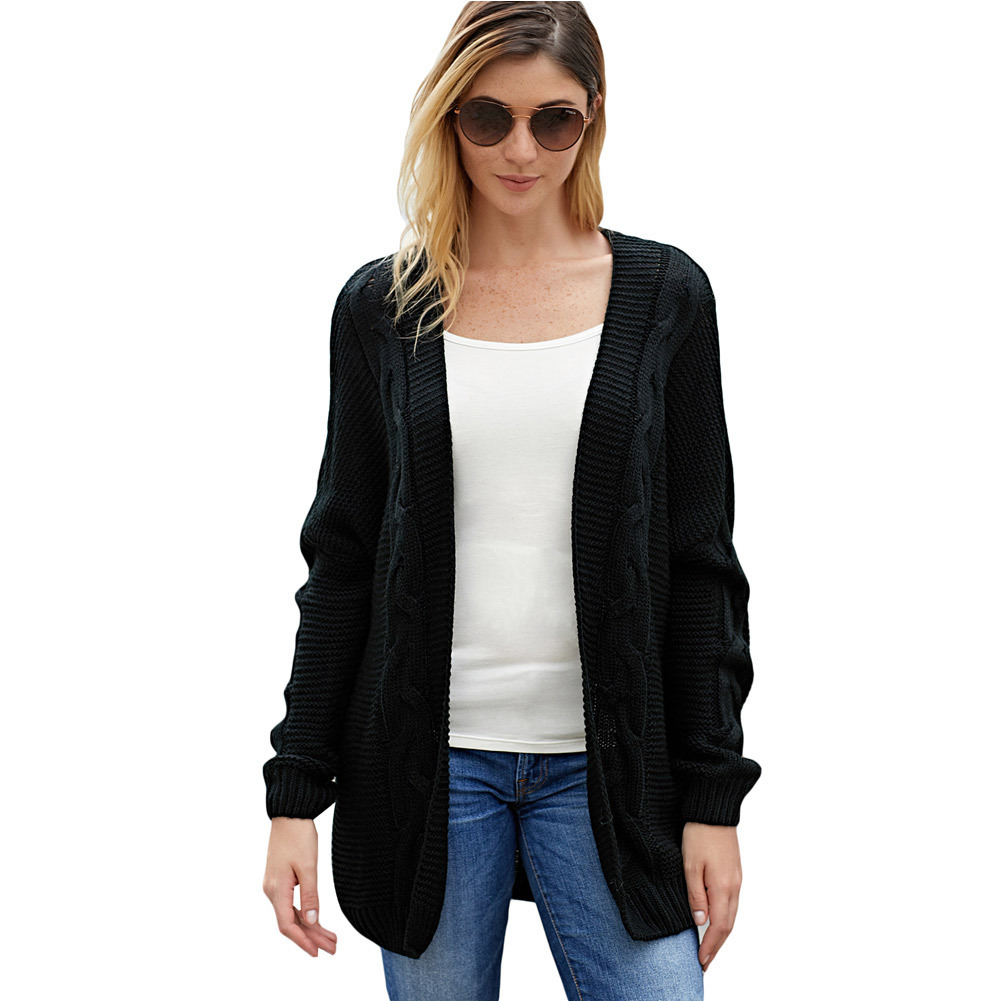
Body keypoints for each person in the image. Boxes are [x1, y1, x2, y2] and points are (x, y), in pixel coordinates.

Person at [261, 4, 761, 999]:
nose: (520, 150)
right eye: (487, 118)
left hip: (611, 772)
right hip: (427, 773)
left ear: (592, 117)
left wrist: (714, 798)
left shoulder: (666, 297)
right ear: (448, 119)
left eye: (552, 119)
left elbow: (701, 565)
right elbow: (343, 560)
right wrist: (293, 794)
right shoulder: (383, 308)